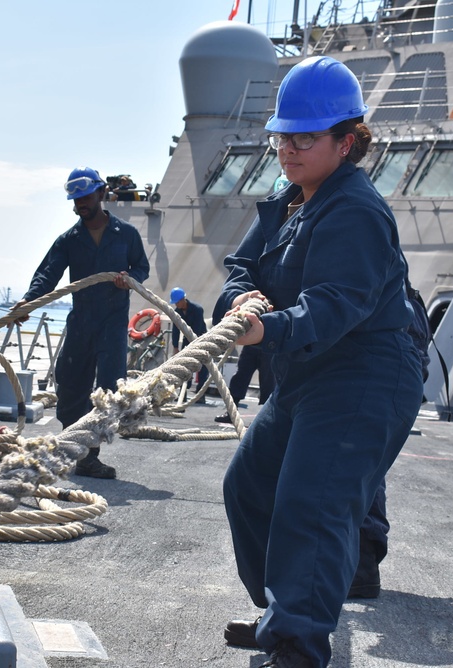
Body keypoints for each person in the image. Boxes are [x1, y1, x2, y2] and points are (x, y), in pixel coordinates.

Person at [215, 56, 423, 667]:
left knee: (314, 503)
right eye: (283, 135)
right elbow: (240, 267)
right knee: (247, 486)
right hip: (310, 371)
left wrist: (266, 328)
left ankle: (299, 645)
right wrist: (241, 299)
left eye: (306, 137)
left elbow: (336, 305)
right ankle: (282, 615)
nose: (289, 148)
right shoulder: (289, 198)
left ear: (347, 141)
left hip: (366, 373)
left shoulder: (355, 209)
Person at [14, 167, 150, 479]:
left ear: (102, 194)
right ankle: (70, 448)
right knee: (71, 384)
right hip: (81, 322)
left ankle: (89, 456)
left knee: (107, 389)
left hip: (113, 323)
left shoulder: (126, 235)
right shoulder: (69, 240)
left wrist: (131, 279)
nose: (80, 204)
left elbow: (141, 266)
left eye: (86, 197)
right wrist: (29, 301)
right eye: (76, 199)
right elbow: (47, 274)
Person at [213, 345, 273, 423]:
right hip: (251, 344)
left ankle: (267, 417)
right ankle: (231, 412)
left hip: (270, 346)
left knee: (268, 382)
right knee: (240, 377)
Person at [169, 286, 209, 392]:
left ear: (183, 299)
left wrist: (193, 346)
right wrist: (175, 347)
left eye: (177, 302)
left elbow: (197, 328)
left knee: (203, 365)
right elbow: (176, 330)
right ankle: (184, 391)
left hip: (201, 339)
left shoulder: (197, 310)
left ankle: (201, 391)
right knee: (186, 365)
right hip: (188, 340)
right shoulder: (177, 312)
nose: (176, 304)